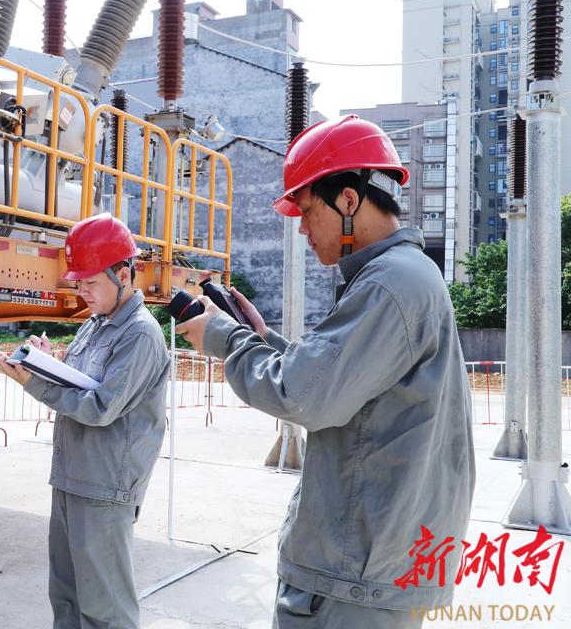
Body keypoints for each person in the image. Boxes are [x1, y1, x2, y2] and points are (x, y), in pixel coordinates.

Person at [176, 115, 475, 628]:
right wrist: (262, 338)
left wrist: (223, 339)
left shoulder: (387, 284)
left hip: (353, 570)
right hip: (377, 559)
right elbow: (346, 383)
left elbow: (303, 396)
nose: (300, 227)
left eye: (306, 208)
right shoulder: (402, 277)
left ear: (349, 202)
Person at [0, 213, 170, 629]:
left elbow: (100, 406)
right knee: (68, 599)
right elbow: (78, 384)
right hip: (73, 475)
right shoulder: (95, 325)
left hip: (105, 486)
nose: (82, 291)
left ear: (124, 274)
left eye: (91, 282)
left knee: (106, 609)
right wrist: (42, 364)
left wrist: (33, 385)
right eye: (79, 282)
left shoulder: (140, 334)